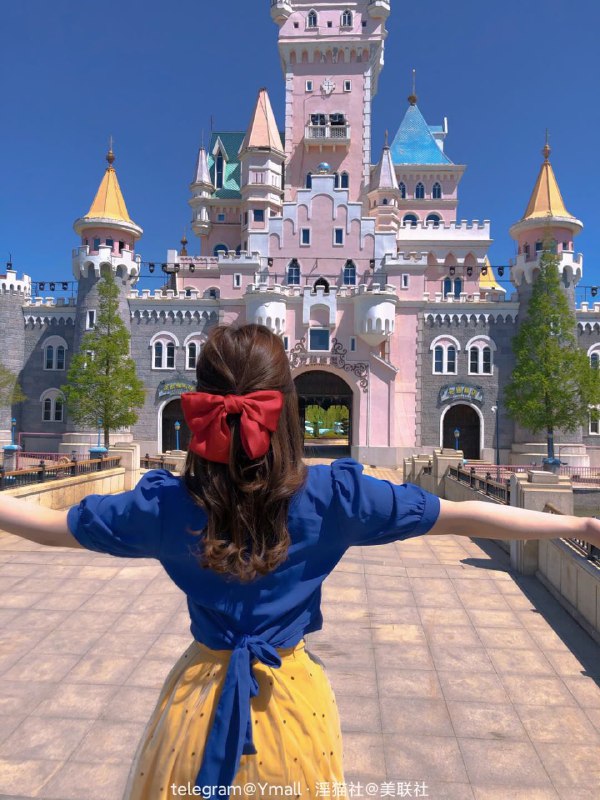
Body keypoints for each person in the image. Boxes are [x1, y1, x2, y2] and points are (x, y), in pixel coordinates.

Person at [1, 323, 599, 799]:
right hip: (292, 706)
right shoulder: (334, 498)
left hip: (195, 712)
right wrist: (580, 524)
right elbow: (465, 516)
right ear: (285, 408)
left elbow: (49, 528)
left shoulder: (164, 507)